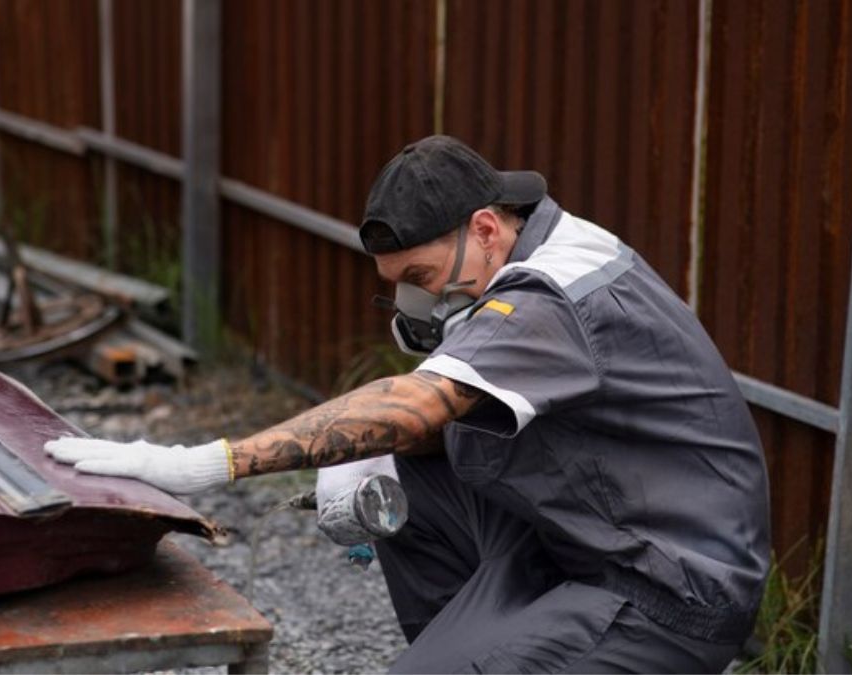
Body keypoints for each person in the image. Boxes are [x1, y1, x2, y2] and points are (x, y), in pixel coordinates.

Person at [46, 135, 770, 673]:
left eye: (421, 276)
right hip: (589, 535)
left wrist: (205, 462)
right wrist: (371, 459)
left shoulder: (553, 298)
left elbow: (420, 402)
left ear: (485, 227)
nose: (414, 301)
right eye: (398, 282)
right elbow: (439, 427)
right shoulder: (538, 240)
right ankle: (484, 645)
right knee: (397, 480)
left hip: (666, 587)